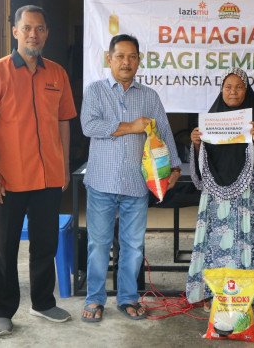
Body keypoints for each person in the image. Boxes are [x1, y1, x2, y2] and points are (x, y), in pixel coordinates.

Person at [0, 5, 77, 334]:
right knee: (5, 248)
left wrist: (63, 167)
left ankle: (43, 303)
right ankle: (3, 309)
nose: (34, 33)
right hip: (9, 178)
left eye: (40, 28)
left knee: (44, 243)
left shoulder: (57, 74)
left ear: (47, 33)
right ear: (15, 31)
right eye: (27, 27)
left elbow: (63, 123)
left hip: (48, 177)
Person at [80, 34, 182, 322]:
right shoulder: (96, 91)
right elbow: (89, 126)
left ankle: (127, 298)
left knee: (133, 246)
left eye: (132, 57)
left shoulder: (149, 96)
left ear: (139, 61)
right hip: (102, 182)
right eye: (120, 56)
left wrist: (174, 167)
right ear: (109, 59)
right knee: (98, 245)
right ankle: (95, 299)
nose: (126, 62)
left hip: (137, 184)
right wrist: (130, 127)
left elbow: (163, 131)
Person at [186, 68, 254, 310]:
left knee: (248, 238)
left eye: (238, 87)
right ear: (221, 90)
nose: (233, 92)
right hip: (216, 193)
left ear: (246, 91)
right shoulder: (211, 118)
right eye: (228, 87)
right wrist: (196, 144)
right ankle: (215, 292)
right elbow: (202, 160)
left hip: (249, 192)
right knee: (217, 240)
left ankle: (248, 294)